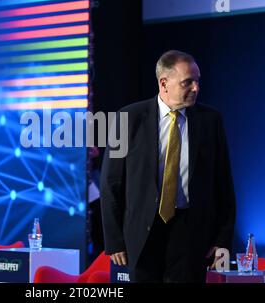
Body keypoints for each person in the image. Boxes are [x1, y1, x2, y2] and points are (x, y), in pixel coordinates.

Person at [100, 50, 236, 282]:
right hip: (142, 233)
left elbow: (223, 184)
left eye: (197, 81)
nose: (196, 88)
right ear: (164, 83)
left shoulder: (210, 121)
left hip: (190, 235)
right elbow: (111, 183)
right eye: (188, 82)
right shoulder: (129, 118)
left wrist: (221, 239)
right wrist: (114, 240)